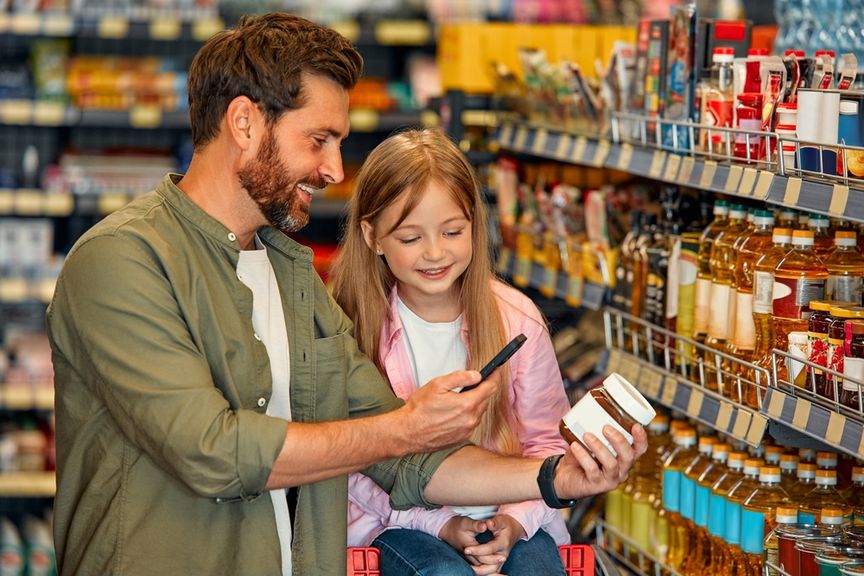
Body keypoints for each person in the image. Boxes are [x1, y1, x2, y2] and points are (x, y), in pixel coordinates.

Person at [46, 12, 646, 576]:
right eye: (319, 140)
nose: (335, 169)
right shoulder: (122, 259)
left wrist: (558, 478)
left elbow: (405, 459)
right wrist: (405, 429)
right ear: (245, 122)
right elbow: (215, 451)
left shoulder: (292, 275)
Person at [329, 127, 573, 575]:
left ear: (475, 226)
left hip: (516, 519)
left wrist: (514, 522)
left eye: (452, 231)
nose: (435, 252)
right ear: (372, 236)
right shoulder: (351, 326)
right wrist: (441, 523)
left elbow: (546, 443)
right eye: (410, 238)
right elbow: (353, 462)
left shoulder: (517, 321)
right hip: (398, 524)